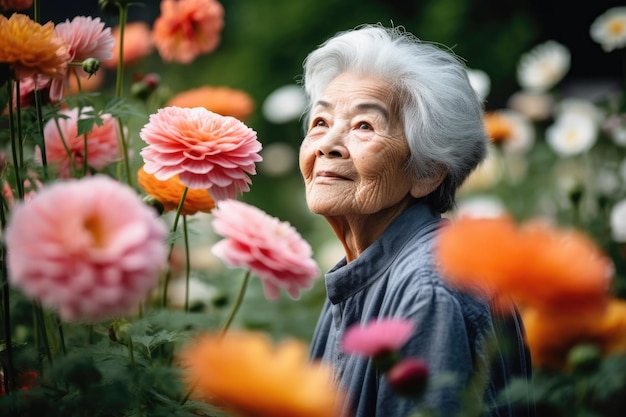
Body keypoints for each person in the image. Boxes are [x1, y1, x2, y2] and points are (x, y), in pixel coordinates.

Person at [298, 24, 535, 417]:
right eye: (321, 122)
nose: (327, 145)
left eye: (363, 126)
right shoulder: (363, 270)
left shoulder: (428, 289)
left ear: (427, 172)